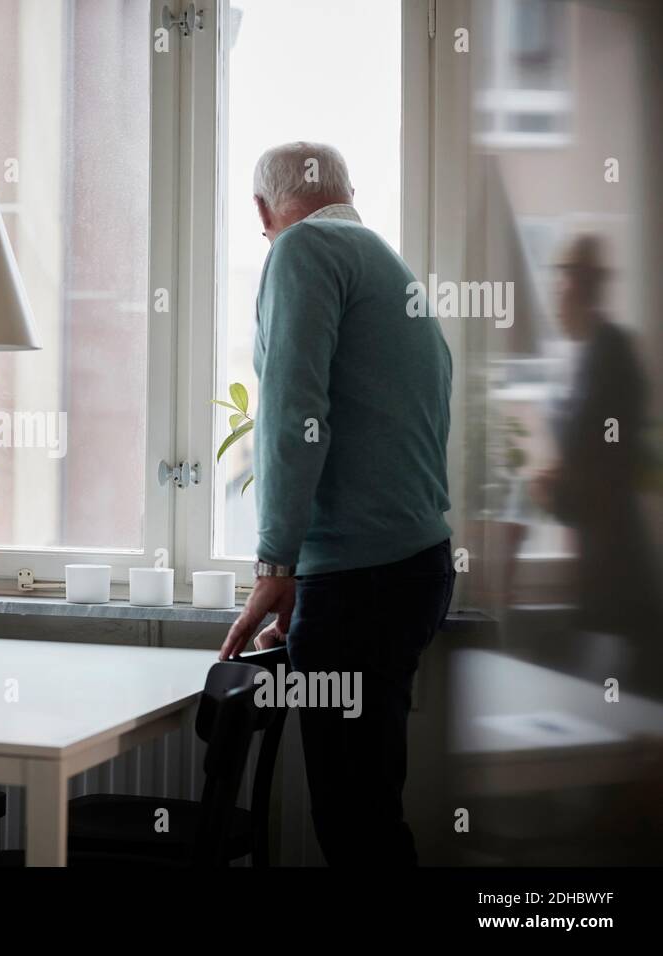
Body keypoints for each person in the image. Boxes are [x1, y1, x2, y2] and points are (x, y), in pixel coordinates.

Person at [219, 142, 455, 866]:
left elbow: (293, 417)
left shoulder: (301, 251)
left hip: (362, 585)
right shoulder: (385, 264)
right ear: (346, 190)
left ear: (264, 211)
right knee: (370, 804)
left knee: (353, 818)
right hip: (406, 570)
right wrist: (307, 572)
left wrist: (277, 564)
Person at [529, 234, 659, 649]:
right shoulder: (593, 356)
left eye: (560, 279)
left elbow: (607, 470)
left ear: (577, 284)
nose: (554, 292)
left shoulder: (611, 356)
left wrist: (555, 489)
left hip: (616, 570)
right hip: (601, 568)